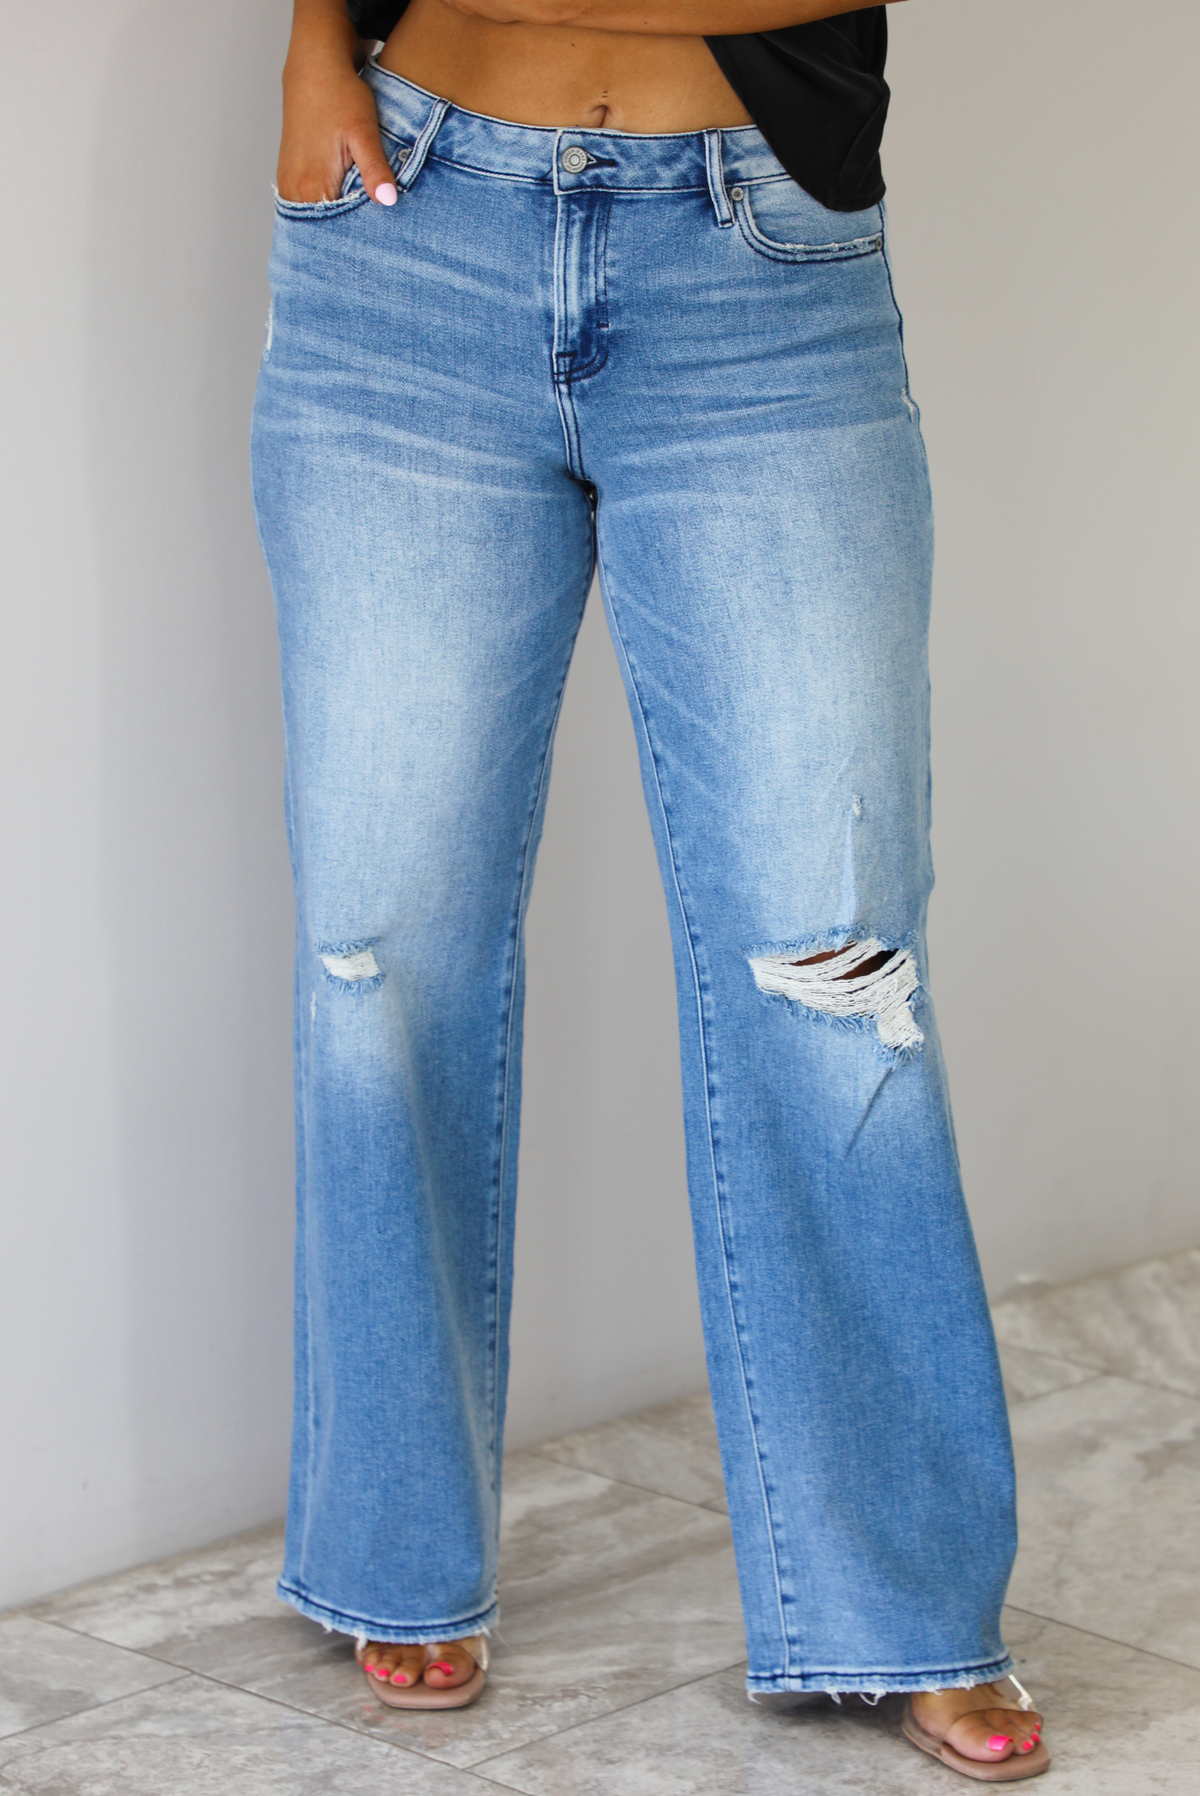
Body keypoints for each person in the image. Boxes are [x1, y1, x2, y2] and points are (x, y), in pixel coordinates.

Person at [251, 0, 1049, 1778]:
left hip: (756, 262)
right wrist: (314, 46)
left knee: (833, 967)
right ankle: (394, 1557)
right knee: (382, 951)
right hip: (406, 230)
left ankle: (903, 1593)